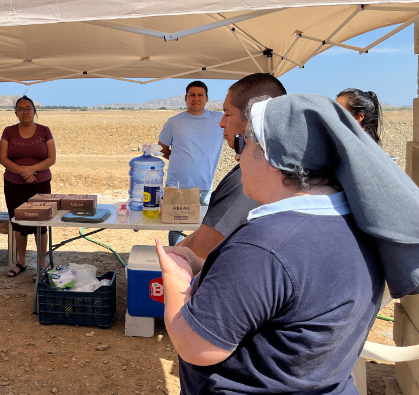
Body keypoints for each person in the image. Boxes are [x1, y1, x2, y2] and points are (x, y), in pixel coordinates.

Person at [157, 93, 419, 394]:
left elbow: (195, 346)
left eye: (244, 144)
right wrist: (208, 269)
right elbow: (289, 297)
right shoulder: (355, 225)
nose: (238, 156)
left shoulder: (264, 246)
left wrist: (176, 276)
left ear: (274, 157)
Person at [176, 73, 287, 259]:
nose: (221, 123)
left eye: (228, 114)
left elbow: (201, 250)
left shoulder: (254, 174)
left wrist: (179, 251)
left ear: (254, 118)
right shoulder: (281, 163)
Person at [158, 81, 223, 246]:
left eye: (200, 95)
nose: (196, 98)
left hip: (204, 186)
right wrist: (179, 159)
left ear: (207, 98)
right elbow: (162, 148)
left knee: (205, 227)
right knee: (175, 227)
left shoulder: (218, 120)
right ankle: (175, 258)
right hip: (177, 186)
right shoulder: (174, 122)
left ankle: (198, 263)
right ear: (185, 98)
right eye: (192, 95)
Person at [0, 95, 56, 278]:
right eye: (21, 109)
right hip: (14, 184)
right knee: (19, 224)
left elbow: (51, 158)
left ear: (35, 111)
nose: (25, 112)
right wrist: (21, 172)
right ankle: (21, 261)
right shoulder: (8, 131)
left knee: (41, 224)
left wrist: (31, 169)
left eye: (28, 108)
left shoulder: (44, 131)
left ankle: (41, 264)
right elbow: (3, 158)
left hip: (40, 185)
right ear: (16, 113)